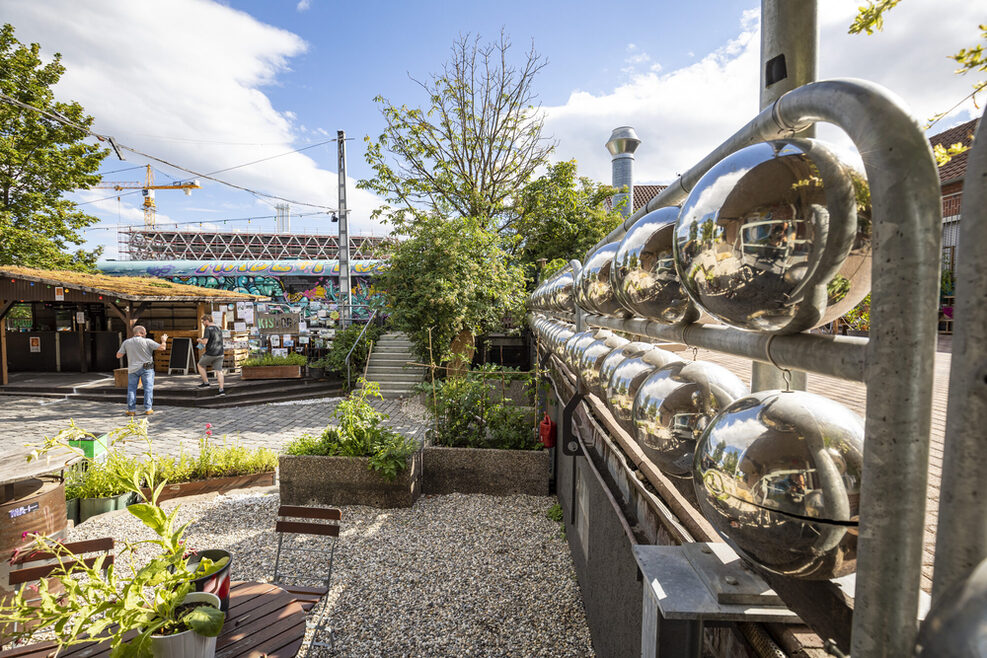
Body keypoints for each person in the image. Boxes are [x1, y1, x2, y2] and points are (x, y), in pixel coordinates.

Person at [116, 326, 167, 416]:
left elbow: (118, 355)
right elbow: (162, 348)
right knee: (148, 388)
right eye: (145, 332)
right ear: (142, 332)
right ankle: (148, 409)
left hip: (133, 367)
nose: (146, 333)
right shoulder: (147, 341)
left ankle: (131, 410)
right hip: (147, 365)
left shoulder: (126, 342)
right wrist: (163, 340)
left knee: (132, 389)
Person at [195, 314, 226, 396]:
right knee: (219, 371)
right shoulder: (218, 328)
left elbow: (205, 342)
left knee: (200, 365)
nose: (203, 323)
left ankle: (206, 383)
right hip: (220, 353)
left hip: (211, 353)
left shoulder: (208, 329)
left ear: (207, 321)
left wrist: (199, 340)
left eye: (203, 321)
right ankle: (221, 390)